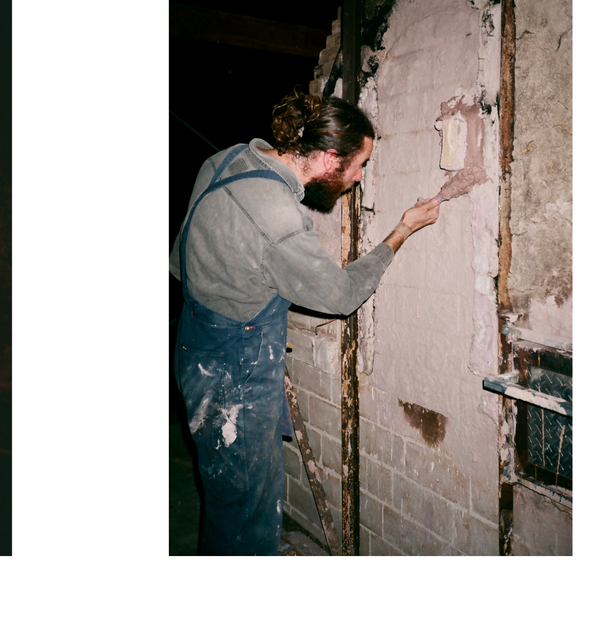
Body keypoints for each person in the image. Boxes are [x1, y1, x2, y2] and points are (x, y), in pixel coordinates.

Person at [170, 90, 442, 555]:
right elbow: (339, 296)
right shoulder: (280, 216)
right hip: (236, 376)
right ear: (329, 158)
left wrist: (244, 283)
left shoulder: (223, 159)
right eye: (358, 166)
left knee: (224, 495)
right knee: (248, 512)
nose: (357, 180)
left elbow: (179, 264)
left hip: (194, 351)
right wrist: (401, 231)